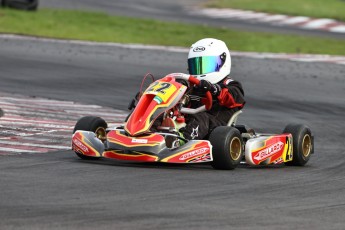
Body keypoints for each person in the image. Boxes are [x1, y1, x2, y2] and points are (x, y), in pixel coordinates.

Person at [180, 38, 245, 140]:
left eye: (207, 65)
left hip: (215, 128)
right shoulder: (193, 86)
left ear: (223, 62)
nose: (201, 71)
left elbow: (234, 97)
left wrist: (214, 89)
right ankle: (150, 137)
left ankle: (181, 142)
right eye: (196, 66)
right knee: (164, 114)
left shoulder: (232, 85)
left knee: (200, 117)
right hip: (188, 121)